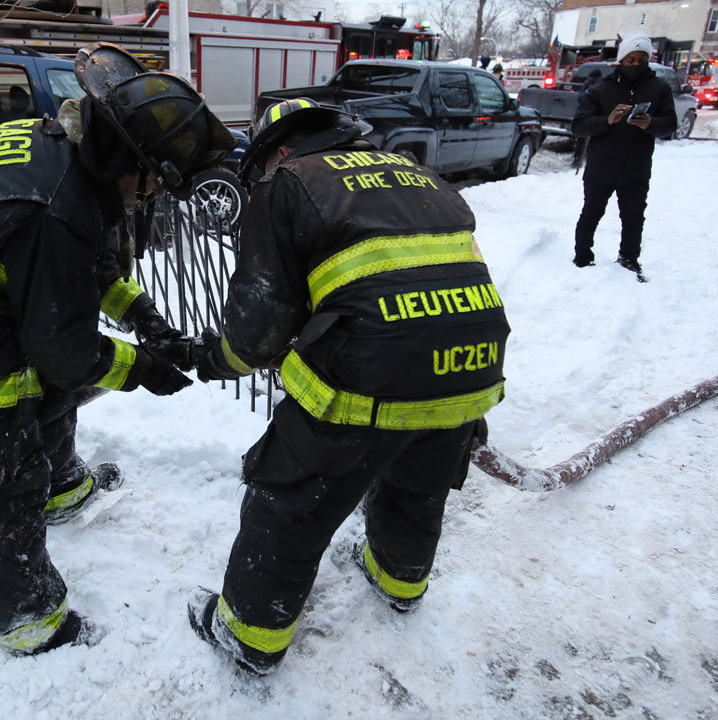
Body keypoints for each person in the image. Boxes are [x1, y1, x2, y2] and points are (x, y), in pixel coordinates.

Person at [0, 42, 235, 656]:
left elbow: (79, 274)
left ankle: (61, 488)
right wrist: (143, 368)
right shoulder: (55, 207)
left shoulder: (66, 148)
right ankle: (24, 618)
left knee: (46, 388)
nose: (147, 199)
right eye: (151, 185)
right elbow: (63, 346)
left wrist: (144, 318)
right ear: (132, 161)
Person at [185, 98, 511, 675]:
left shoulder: (289, 182)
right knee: (418, 481)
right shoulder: (418, 175)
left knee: (288, 504)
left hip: (370, 370)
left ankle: (250, 637)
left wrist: (217, 358)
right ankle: (400, 581)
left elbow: (259, 327)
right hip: (473, 359)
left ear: (280, 150)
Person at [571, 32, 676, 282]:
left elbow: (670, 123)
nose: (635, 65)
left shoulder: (659, 88)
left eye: (641, 60)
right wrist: (607, 120)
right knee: (591, 212)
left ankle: (629, 259)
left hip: (635, 168)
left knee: (633, 218)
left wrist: (650, 123)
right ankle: (582, 257)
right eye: (630, 60)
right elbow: (579, 126)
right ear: (621, 60)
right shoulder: (600, 90)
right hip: (601, 166)